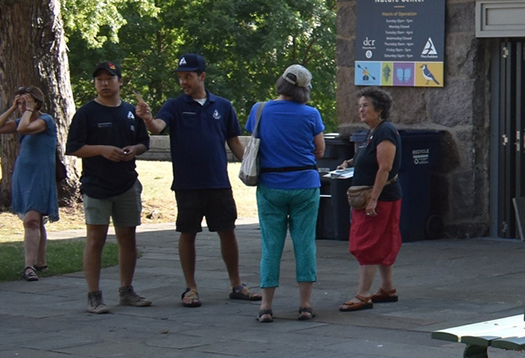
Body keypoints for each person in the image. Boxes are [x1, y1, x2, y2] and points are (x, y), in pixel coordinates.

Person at [137, 53, 256, 307]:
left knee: (228, 232)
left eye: (188, 76)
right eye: (180, 77)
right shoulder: (175, 105)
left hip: (218, 182)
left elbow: (234, 143)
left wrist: (253, 169)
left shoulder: (223, 106)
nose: (183, 82)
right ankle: (190, 288)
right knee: (188, 233)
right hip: (187, 184)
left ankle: (237, 284)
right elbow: (158, 127)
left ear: (202, 76)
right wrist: (147, 118)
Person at [65, 62, 152, 313]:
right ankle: (94, 295)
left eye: (109, 79)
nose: (104, 83)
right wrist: (102, 151)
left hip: (126, 183)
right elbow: (73, 147)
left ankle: (127, 291)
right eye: (99, 79)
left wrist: (132, 150)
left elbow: (143, 142)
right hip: (96, 185)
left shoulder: (130, 111)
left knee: (128, 238)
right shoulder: (86, 113)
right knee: (95, 239)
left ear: (120, 82)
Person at [245, 65, 326, 323]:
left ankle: (266, 306)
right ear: (303, 90)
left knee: (271, 245)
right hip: (305, 183)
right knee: (305, 244)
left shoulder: (260, 110)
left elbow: (255, 142)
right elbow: (320, 150)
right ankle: (305, 304)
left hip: (271, 184)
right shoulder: (311, 114)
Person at [339, 88, 401, 312]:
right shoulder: (373, 132)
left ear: (380, 109)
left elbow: (384, 168)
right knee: (383, 243)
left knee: (368, 244)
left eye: (366, 105)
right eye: (360, 106)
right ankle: (387, 288)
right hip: (377, 197)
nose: (361, 110)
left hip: (378, 199)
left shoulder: (385, 132)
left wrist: (373, 200)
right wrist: (348, 163)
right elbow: (365, 159)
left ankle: (363, 294)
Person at [0, 85, 58, 282]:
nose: (22, 106)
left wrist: (29, 110)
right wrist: (12, 108)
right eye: (20, 102)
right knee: (33, 219)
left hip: (41, 175)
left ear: (37, 102)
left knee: (31, 220)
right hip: (24, 173)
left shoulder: (45, 120)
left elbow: (23, 129)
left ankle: (29, 267)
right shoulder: (22, 118)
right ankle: (40, 261)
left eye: (25, 102)